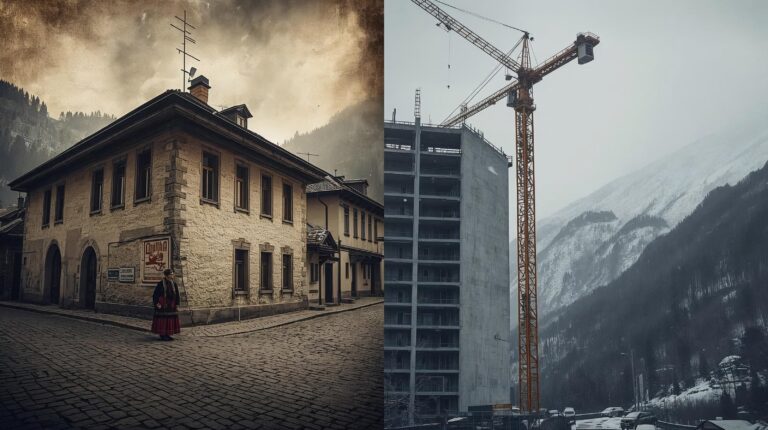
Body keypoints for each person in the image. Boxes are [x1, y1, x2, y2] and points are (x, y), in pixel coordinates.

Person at [151, 268, 181, 341]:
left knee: (169, 320)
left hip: (171, 305)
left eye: (172, 274)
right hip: (163, 304)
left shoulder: (174, 284)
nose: (172, 275)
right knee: (163, 320)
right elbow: (155, 295)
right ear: (167, 275)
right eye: (171, 274)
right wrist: (157, 303)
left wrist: (177, 304)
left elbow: (177, 295)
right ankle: (163, 334)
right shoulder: (161, 284)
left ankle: (168, 334)